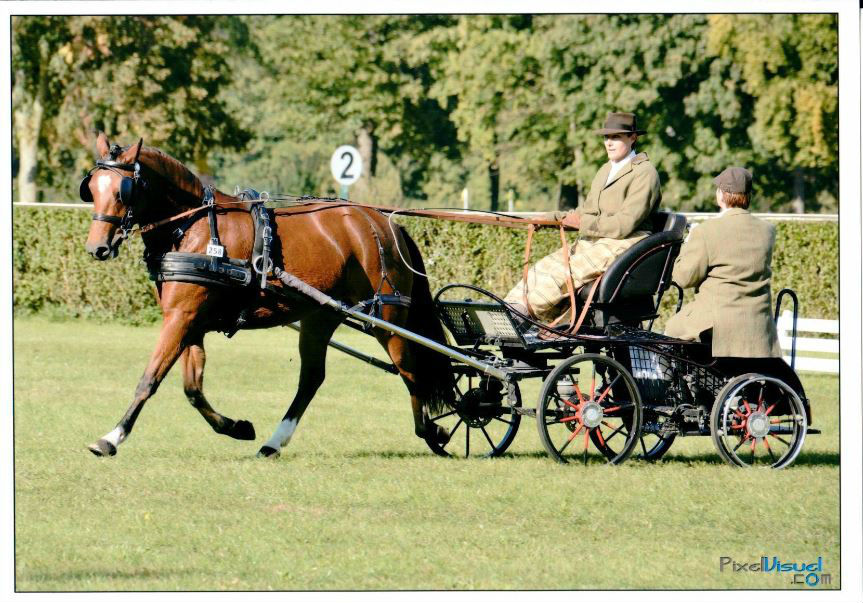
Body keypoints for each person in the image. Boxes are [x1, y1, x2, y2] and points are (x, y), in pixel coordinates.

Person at [504, 111, 662, 322]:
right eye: (606, 137)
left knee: (564, 275)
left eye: (616, 137)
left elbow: (625, 224)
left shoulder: (645, 172)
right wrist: (550, 218)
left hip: (626, 244)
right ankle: (506, 313)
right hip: (594, 240)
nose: (609, 143)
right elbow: (585, 212)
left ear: (633, 138)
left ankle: (518, 317)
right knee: (539, 271)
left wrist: (582, 223)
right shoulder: (605, 170)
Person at [664, 167, 782, 358]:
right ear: (748, 196)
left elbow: (684, 278)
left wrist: (689, 242)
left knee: (668, 332)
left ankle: (665, 385)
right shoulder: (767, 231)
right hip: (758, 324)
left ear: (721, 195)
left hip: (717, 323)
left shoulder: (706, 231)